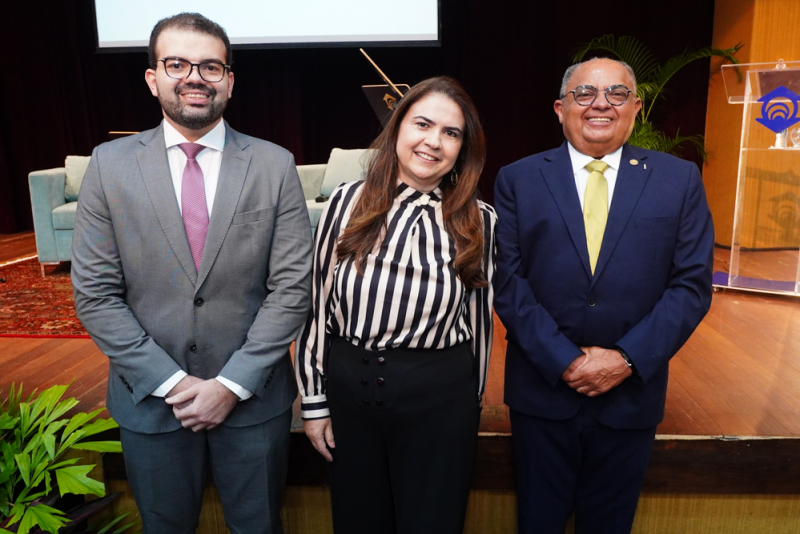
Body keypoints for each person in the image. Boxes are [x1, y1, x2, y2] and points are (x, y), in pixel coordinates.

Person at [71, 12, 312, 534]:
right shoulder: (108, 166)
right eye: (177, 63)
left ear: (229, 79)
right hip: (152, 404)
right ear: (153, 78)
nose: (195, 77)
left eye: (210, 66)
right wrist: (174, 383)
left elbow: (292, 290)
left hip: (252, 402)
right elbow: (95, 296)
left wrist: (231, 384)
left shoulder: (274, 165)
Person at [494, 58, 714, 534]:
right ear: (559, 108)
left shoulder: (679, 180)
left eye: (616, 94)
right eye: (584, 93)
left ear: (635, 107)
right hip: (543, 391)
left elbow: (691, 285)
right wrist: (564, 361)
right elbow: (509, 283)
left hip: (630, 393)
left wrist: (626, 359)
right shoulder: (518, 179)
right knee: (538, 521)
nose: (600, 104)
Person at [295, 76, 496, 534]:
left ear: (463, 148)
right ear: (398, 127)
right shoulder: (345, 203)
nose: (433, 141)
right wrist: (314, 403)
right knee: (359, 521)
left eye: (451, 133)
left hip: (440, 407)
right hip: (350, 402)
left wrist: (471, 409)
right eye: (422, 123)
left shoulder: (480, 222)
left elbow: (480, 325)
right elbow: (316, 307)